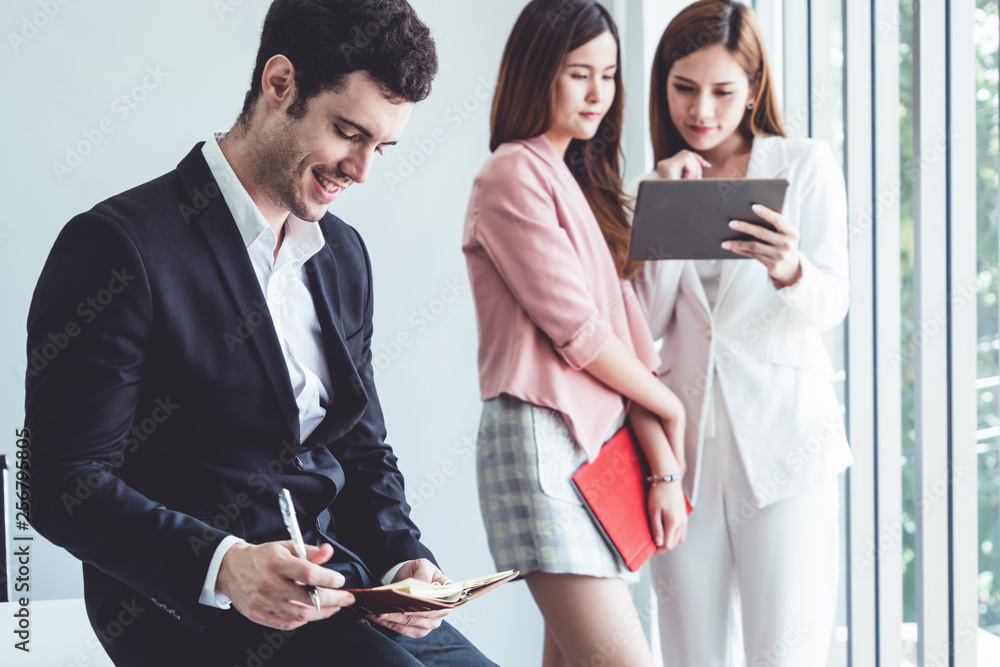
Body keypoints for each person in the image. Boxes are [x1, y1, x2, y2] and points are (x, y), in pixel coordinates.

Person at [24, 1, 496, 665]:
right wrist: (225, 565)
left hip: (335, 588)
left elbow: (360, 447)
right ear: (280, 84)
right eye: (348, 132)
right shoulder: (118, 247)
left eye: (381, 147)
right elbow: (61, 481)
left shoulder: (343, 255)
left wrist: (401, 561)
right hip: (190, 615)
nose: (362, 170)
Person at [462, 2, 689, 665]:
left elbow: (630, 337)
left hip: (590, 448)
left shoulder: (575, 183)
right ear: (537, 73)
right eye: (579, 74)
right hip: (543, 441)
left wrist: (663, 467)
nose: (599, 94)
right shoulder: (511, 172)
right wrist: (669, 409)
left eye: (610, 75)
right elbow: (581, 334)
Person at [630, 1, 854, 665]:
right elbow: (639, 330)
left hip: (786, 443)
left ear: (753, 89)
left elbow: (833, 301)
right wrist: (662, 214)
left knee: (786, 650)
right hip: (686, 453)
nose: (702, 110)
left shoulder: (803, 164)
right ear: (662, 84)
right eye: (684, 88)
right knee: (689, 652)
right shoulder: (655, 181)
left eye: (724, 91)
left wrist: (789, 268)